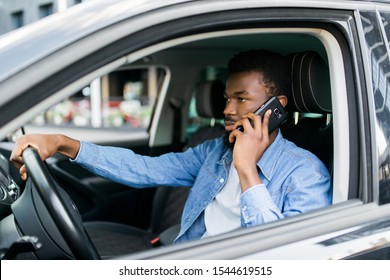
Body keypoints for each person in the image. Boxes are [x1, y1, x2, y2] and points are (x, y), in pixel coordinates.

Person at [10, 49, 331, 244]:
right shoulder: (215, 151)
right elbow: (146, 169)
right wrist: (64, 143)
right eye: (227, 98)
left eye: (242, 99)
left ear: (277, 106)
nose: (228, 110)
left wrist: (247, 170)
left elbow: (284, 258)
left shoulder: (305, 173)